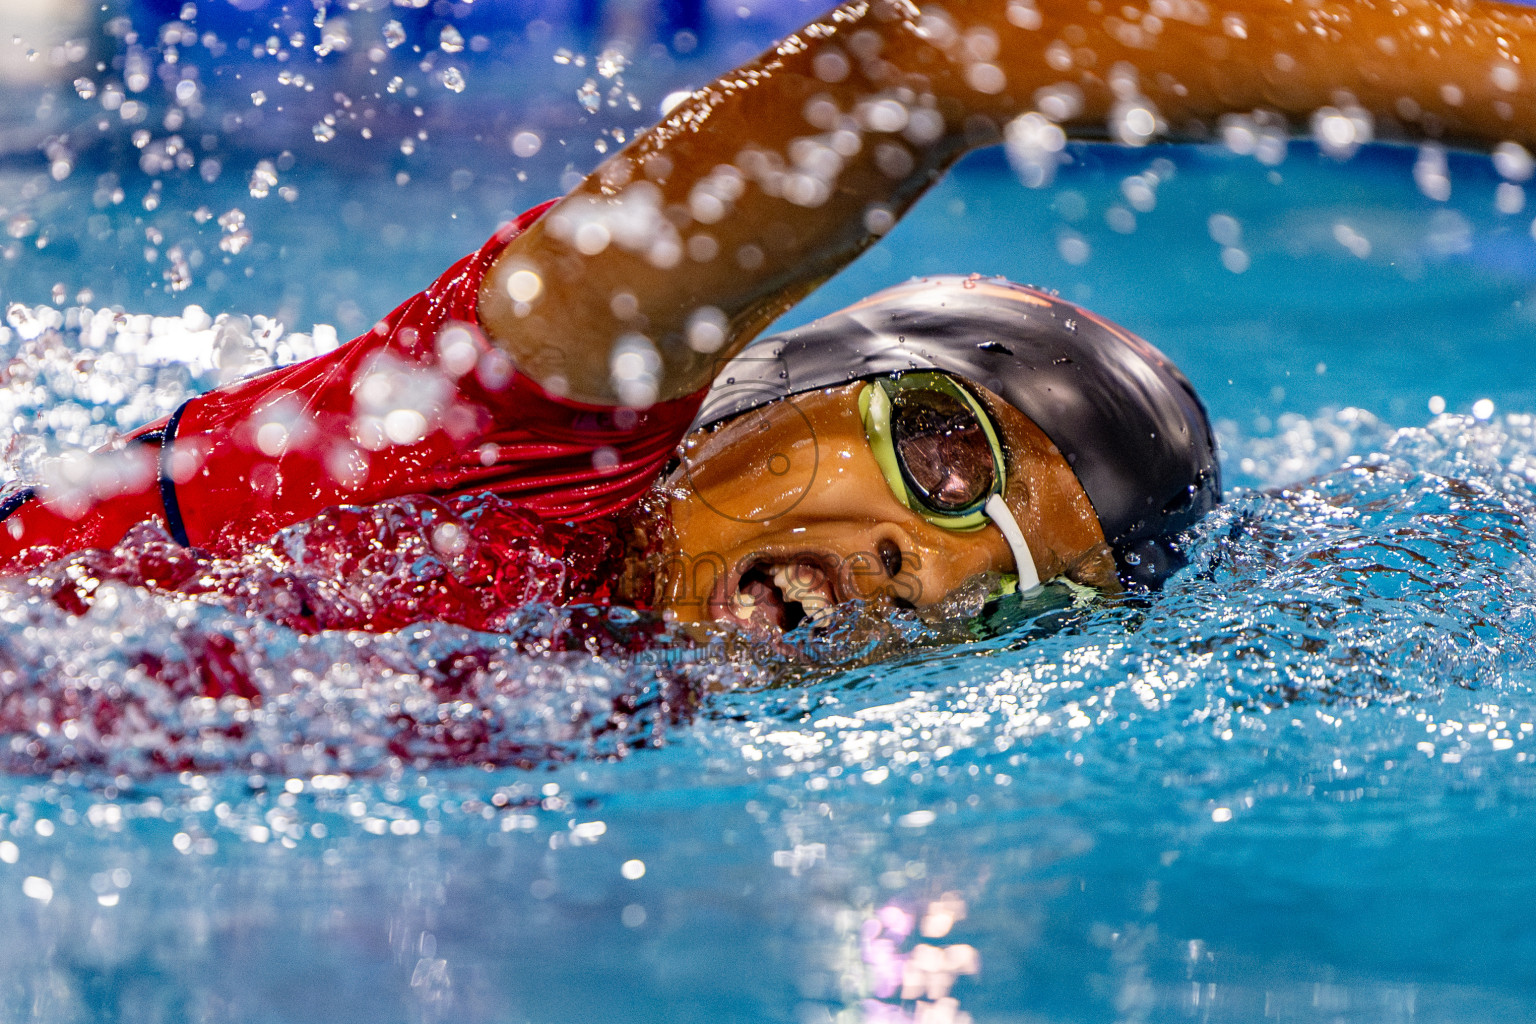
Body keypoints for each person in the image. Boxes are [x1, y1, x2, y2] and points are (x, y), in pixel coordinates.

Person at [0, 0, 1529, 638]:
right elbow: (919, 64)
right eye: (944, 463)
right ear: (786, 377)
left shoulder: (618, 736)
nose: (912, 570)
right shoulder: (512, 420)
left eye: (1001, 593)